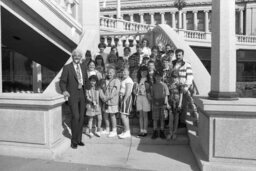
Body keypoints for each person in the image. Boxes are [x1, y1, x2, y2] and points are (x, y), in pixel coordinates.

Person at [59, 49, 88, 149]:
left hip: (82, 94)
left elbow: (86, 80)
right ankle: (74, 141)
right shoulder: (67, 67)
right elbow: (62, 82)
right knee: (75, 117)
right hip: (73, 95)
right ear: (72, 57)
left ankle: (79, 139)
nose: (77, 57)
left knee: (81, 118)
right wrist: (64, 91)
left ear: (81, 57)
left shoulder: (83, 67)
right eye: (75, 56)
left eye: (79, 56)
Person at [172, 49, 199, 127]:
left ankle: (183, 122)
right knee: (175, 104)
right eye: (177, 55)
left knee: (185, 104)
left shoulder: (187, 64)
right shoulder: (173, 63)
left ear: (183, 55)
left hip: (183, 87)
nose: (178, 56)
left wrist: (186, 87)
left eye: (179, 55)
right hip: (175, 87)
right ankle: (176, 121)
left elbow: (190, 77)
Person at [101, 66, 121, 137]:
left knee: (112, 116)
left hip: (112, 102)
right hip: (106, 102)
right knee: (105, 115)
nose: (109, 74)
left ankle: (114, 130)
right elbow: (102, 89)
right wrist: (103, 98)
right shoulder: (105, 80)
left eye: (111, 73)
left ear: (114, 73)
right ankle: (107, 129)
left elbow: (114, 92)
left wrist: (107, 98)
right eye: (108, 72)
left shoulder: (117, 80)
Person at [151, 71, 170, 139]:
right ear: (155, 77)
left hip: (162, 104)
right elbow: (152, 95)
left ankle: (162, 131)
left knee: (162, 119)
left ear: (161, 77)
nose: (158, 78)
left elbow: (167, 95)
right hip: (155, 103)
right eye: (156, 77)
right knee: (155, 119)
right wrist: (152, 104)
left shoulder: (164, 85)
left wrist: (166, 103)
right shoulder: (153, 85)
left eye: (159, 77)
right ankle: (155, 131)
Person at [133, 66, 151, 137]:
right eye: (142, 71)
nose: (143, 73)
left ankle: (145, 131)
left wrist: (150, 100)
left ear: (147, 72)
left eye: (145, 71)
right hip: (139, 98)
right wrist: (135, 90)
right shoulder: (137, 80)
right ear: (140, 72)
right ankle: (141, 130)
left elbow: (149, 91)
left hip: (145, 98)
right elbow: (134, 91)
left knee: (145, 115)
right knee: (140, 115)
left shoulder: (148, 80)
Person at [167, 70, 183, 140]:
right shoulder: (169, 85)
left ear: (178, 77)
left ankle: (174, 133)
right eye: (173, 77)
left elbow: (181, 95)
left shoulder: (180, 85)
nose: (174, 78)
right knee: (171, 119)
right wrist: (167, 103)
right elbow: (167, 95)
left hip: (177, 104)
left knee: (176, 119)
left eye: (175, 77)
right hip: (170, 104)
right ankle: (170, 132)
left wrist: (180, 104)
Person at [119, 67, 134, 139]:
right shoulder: (124, 79)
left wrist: (124, 100)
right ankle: (125, 130)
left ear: (129, 72)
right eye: (123, 72)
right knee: (125, 116)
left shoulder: (128, 80)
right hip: (123, 98)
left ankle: (127, 131)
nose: (124, 73)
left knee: (123, 115)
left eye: (125, 71)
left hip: (126, 98)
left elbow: (128, 92)